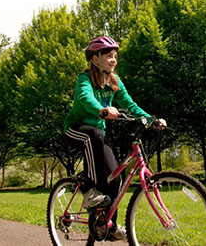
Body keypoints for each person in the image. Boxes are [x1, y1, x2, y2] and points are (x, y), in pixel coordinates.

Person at [62, 36, 166, 241]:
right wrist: (102, 109)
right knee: (94, 134)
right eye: (108, 56)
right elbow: (85, 98)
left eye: (115, 56)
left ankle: (109, 225)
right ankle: (91, 191)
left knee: (116, 178)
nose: (113, 60)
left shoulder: (114, 81)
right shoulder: (84, 79)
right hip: (75, 130)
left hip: (97, 136)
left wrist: (151, 119)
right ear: (95, 59)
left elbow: (130, 105)